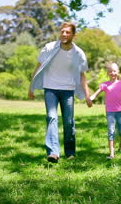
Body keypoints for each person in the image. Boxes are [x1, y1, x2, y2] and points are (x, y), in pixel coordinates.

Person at [29, 22, 93, 163]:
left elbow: (82, 75)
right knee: (51, 117)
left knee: (68, 122)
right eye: (62, 31)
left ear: (73, 35)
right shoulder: (49, 47)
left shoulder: (79, 53)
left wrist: (87, 95)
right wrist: (31, 86)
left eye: (67, 32)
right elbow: (39, 66)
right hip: (50, 88)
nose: (64, 34)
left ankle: (70, 152)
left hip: (68, 90)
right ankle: (53, 152)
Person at [90, 62, 121, 159]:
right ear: (108, 73)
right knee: (111, 130)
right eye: (110, 71)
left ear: (118, 72)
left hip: (120, 111)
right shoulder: (105, 85)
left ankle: (120, 145)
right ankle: (112, 153)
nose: (112, 73)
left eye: (114, 71)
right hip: (110, 111)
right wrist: (93, 96)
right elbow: (97, 92)